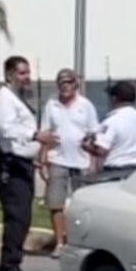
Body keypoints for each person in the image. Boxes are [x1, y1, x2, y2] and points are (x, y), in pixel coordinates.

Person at [0, 55, 56, 271]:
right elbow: (7, 130)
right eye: (22, 73)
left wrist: (33, 154)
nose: (27, 77)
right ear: (9, 75)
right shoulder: (3, 98)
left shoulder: (17, 98)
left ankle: (12, 263)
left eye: (28, 73)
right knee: (17, 215)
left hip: (21, 161)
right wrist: (36, 136)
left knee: (23, 215)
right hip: (9, 163)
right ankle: (9, 267)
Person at [38, 68, 99, 254]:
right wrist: (42, 160)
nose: (65, 87)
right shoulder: (51, 105)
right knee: (56, 203)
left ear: (75, 84)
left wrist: (94, 160)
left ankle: (80, 241)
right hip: (58, 159)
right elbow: (45, 133)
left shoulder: (86, 105)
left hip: (81, 161)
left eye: (68, 83)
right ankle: (59, 242)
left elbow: (94, 133)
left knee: (82, 205)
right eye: (61, 83)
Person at [88, 80, 136, 182]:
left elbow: (101, 150)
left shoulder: (111, 121)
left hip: (116, 171)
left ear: (114, 98)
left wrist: (87, 146)